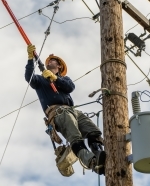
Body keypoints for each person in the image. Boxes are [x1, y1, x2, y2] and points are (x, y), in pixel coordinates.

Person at [25, 44, 106, 175]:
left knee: (93, 131)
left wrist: (55, 79)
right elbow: (29, 77)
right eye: (48, 61)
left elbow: (70, 87)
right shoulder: (40, 80)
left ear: (59, 66)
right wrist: (30, 59)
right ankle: (92, 162)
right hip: (58, 112)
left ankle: (99, 154)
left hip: (73, 110)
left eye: (53, 61)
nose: (49, 61)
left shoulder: (64, 79)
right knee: (75, 136)